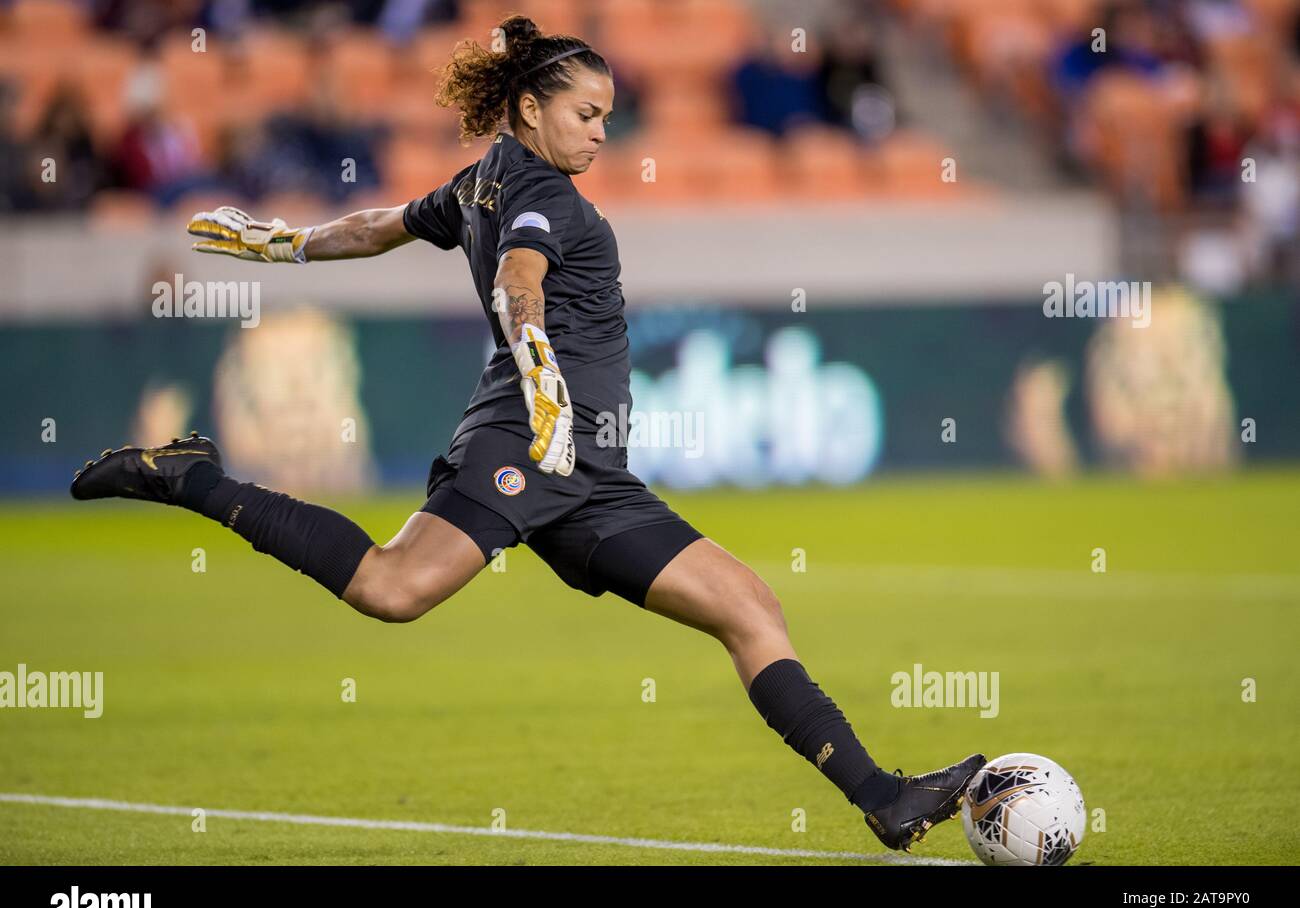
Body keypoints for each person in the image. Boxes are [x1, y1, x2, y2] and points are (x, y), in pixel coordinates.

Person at [70, 14, 983, 854]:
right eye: (586, 113)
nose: (599, 131)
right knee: (392, 588)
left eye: (607, 116)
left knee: (751, 610)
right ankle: (193, 479)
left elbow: (377, 226)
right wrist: (542, 376)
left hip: (587, 469)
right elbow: (519, 278)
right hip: (527, 440)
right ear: (530, 107)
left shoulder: (481, 181)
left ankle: (883, 798)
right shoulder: (539, 190)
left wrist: (282, 243)